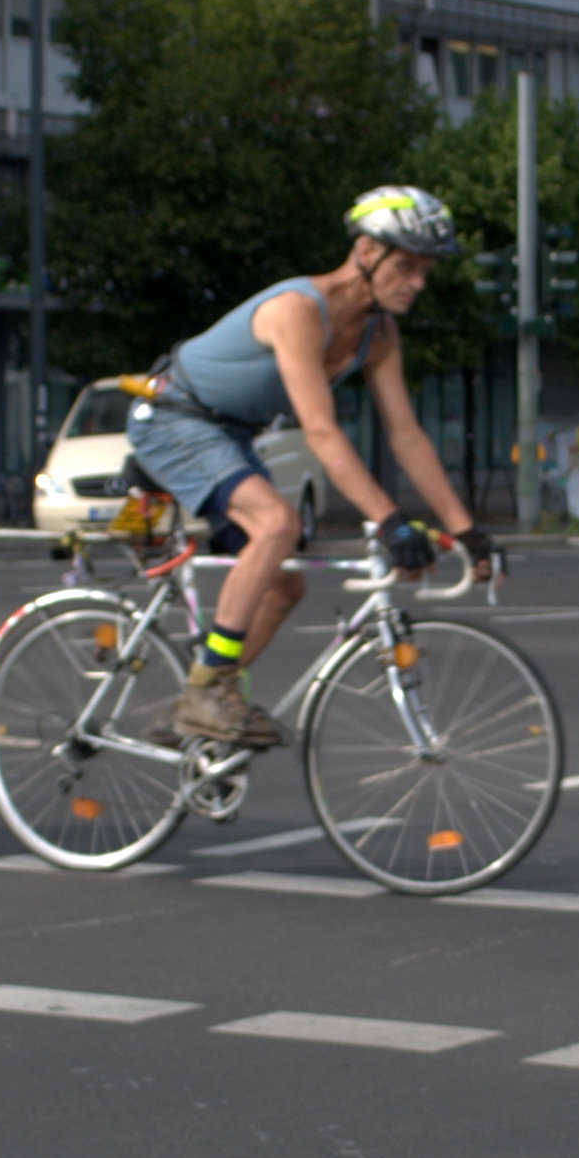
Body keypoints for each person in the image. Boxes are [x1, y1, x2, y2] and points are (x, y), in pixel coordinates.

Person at [126, 185, 496, 747]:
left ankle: (196, 702)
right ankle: (206, 687)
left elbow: (406, 434)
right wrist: (390, 521)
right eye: (407, 267)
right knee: (278, 524)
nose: (417, 283)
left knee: (284, 587)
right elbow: (320, 431)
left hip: (231, 434)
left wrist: (466, 530)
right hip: (175, 417)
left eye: (425, 271)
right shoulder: (299, 310)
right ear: (367, 252)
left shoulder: (379, 333)